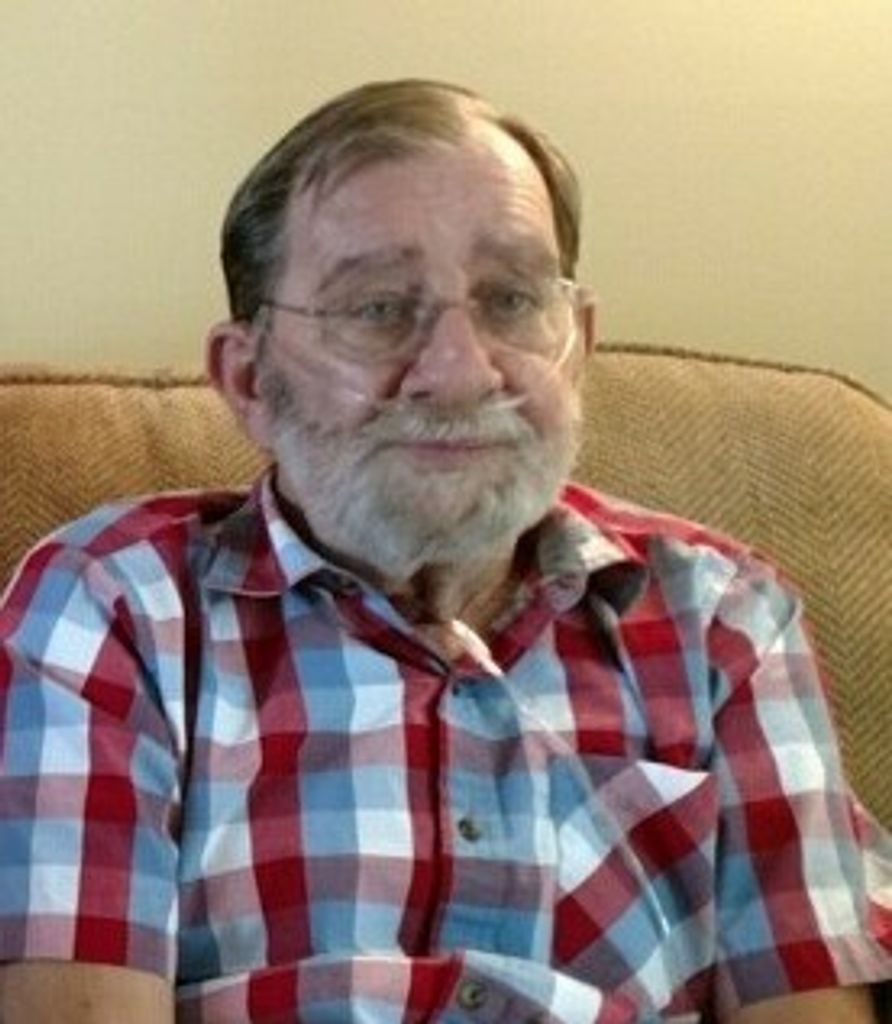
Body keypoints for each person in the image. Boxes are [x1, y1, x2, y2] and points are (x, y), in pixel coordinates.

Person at [0, 79, 889, 1024]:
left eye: (511, 299)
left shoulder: (724, 620)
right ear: (249, 378)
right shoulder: (112, 608)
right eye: (380, 307)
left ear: (578, 346)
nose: (461, 371)